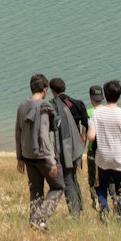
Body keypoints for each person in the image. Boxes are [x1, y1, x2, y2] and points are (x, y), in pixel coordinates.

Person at [15, 73, 65, 232]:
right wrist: (52, 161)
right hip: (43, 155)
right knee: (58, 186)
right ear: (45, 90)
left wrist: (19, 157)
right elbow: (44, 134)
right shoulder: (44, 106)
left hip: (27, 155)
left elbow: (18, 132)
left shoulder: (22, 105)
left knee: (35, 190)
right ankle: (39, 218)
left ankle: (35, 223)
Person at [86, 79, 121, 222]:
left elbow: (90, 136)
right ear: (119, 96)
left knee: (102, 186)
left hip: (103, 158)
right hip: (120, 160)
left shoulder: (96, 114)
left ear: (105, 95)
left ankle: (103, 207)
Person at [48, 77, 87, 216]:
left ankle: (75, 213)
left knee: (67, 179)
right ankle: (79, 206)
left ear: (52, 90)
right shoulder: (77, 104)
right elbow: (84, 127)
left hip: (66, 147)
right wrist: (82, 146)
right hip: (77, 146)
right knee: (72, 177)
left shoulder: (54, 105)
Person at [86, 83, 104, 209]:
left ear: (90, 98)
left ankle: (95, 201)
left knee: (92, 178)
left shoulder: (88, 112)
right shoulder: (108, 111)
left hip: (93, 150)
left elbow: (85, 134)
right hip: (107, 150)